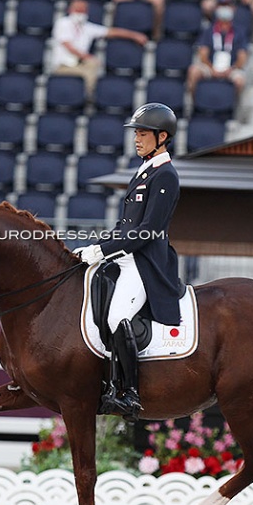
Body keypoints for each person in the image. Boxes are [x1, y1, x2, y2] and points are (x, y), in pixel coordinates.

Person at [77, 103, 181, 422]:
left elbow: (147, 231)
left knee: (117, 315)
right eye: (135, 133)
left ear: (162, 137)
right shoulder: (145, 170)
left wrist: (102, 250)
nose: (136, 139)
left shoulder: (165, 175)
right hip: (126, 256)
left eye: (143, 134)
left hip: (145, 262)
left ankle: (127, 392)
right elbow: (127, 226)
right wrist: (100, 246)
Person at [51, 0, 148, 98]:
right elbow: (68, 45)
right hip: (63, 66)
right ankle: (88, 98)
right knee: (92, 66)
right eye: (78, 10)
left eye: (83, 10)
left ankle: (87, 97)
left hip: (80, 64)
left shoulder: (87, 27)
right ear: (70, 10)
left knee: (93, 66)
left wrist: (135, 35)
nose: (80, 13)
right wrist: (88, 57)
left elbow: (111, 32)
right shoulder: (63, 23)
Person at [186, 0, 249, 97]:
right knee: (194, 71)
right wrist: (212, 69)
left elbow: (242, 57)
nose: (224, 8)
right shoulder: (208, 30)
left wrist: (231, 70)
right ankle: (195, 104)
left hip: (231, 69)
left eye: (227, 5)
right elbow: (203, 54)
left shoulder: (240, 31)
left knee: (239, 80)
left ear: (233, 9)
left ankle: (232, 108)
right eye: (221, 5)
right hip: (211, 67)